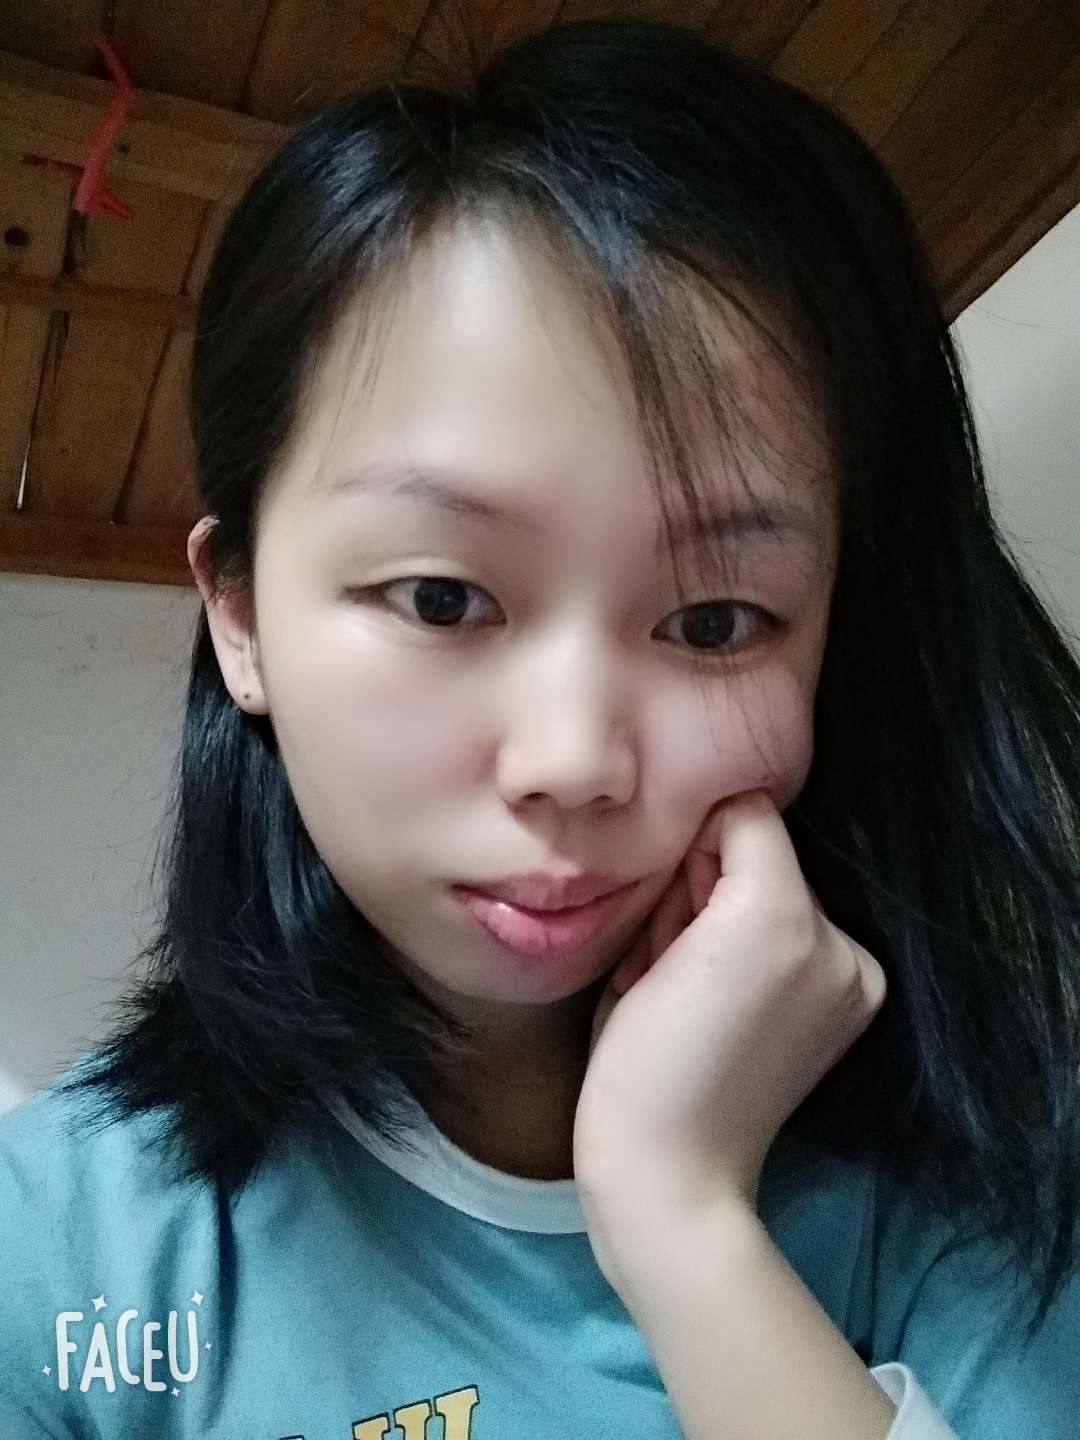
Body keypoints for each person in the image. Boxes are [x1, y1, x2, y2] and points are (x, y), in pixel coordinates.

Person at [1, 14, 1078, 1438]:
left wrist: (682, 1221)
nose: (574, 760)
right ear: (241, 615)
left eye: (716, 621)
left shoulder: (983, 1178)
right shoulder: (62, 1257)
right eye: (442, 597)